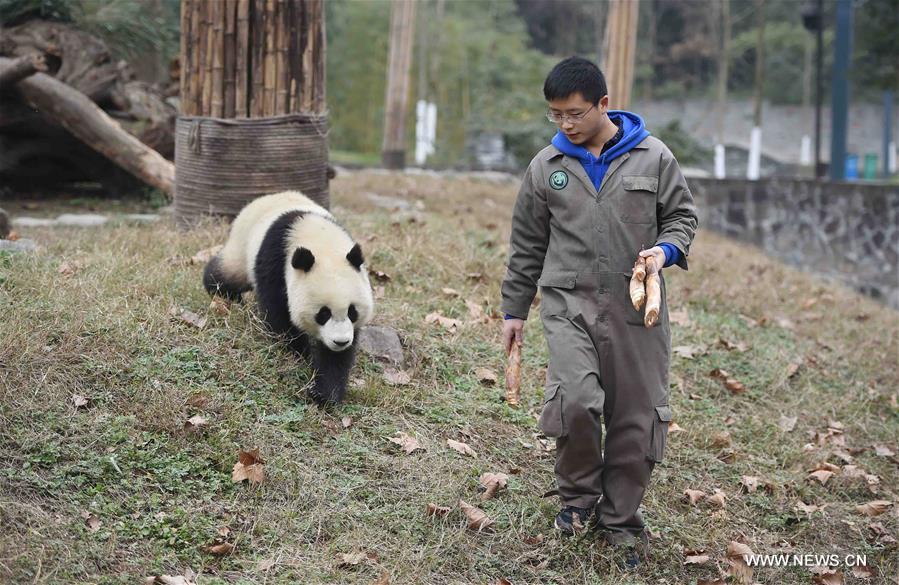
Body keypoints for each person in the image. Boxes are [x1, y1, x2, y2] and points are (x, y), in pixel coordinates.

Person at [500, 56, 698, 569]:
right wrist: (513, 311)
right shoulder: (546, 167)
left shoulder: (654, 158)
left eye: (574, 113)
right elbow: (527, 244)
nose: (565, 124)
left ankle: (621, 519)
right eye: (555, 115)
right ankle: (577, 502)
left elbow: (681, 218)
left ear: (603, 104)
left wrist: (664, 252)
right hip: (569, 306)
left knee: (635, 417)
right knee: (577, 402)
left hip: (638, 310)